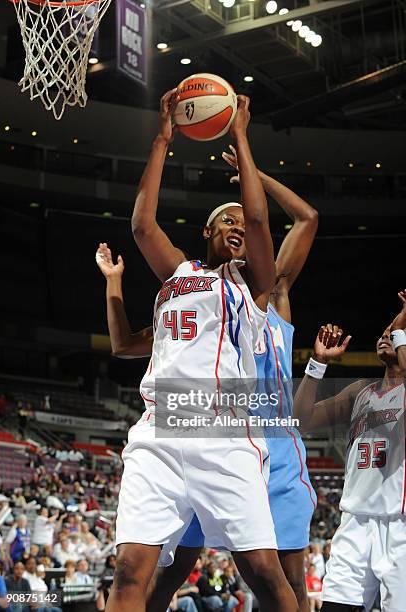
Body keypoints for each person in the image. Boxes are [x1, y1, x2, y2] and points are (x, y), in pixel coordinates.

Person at [98, 139, 318, 611]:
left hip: (227, 430)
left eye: (242, 220)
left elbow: (270, 221)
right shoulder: (177, 276)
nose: (238, 225)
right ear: (206, 230)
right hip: (161, 426)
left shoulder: (255, 286)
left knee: (266, 573)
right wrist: (159, 140)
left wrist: (244, 143)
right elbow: (141, 226)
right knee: (133, 572)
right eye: (227, 220)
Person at [294, 290, 406, 612]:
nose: (386, 336)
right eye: (385, 333)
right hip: (355, 521)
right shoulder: (360, 391)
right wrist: (317, 365)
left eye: (395, 333)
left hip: (398, 524)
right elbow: (302, 420)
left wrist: (402, 326)